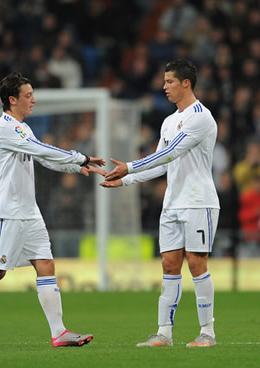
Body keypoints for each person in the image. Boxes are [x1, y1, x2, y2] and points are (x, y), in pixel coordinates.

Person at [0, 72, 106, 348]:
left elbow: (42, 158)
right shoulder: (2, 126)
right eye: (28, 95)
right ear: (12, 100)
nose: (33, 100)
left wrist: (75, 166)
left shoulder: (22, 127)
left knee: (46, 265)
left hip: (29, 210)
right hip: (7, 211)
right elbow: (41, 149)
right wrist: (79, 156)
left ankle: (59, 332)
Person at [101, 60, 220, 347]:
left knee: (196, 264)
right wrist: (127, 180)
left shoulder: (201, 118)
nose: (164, 87)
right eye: (164, 81)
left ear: (186, 83)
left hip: (198, 201)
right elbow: (161, 165)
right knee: (169, 265)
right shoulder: (168, 121)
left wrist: (129, 166)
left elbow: (169, 154)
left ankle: (207, 332)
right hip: (172, 203)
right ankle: (164, 333)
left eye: (169, 81)